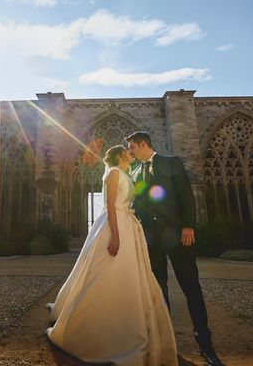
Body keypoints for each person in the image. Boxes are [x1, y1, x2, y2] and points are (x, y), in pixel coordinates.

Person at [46, 145, 178, 366]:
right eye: (127, 152)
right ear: (119, 156)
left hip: (128, 224)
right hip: (116, 226)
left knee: (127, 275)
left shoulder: (125, 173)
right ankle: (95, 326)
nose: (131, 153)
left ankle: (125, 318)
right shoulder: (114, 172)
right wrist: (115, 235)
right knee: (109, 271)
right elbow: (110, 205)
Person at [126, 131, 225, 366]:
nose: (131, 151)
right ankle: (166, 343)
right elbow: (138, 203)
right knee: (160, 290)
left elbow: (186, 196)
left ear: (143, 145)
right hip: (153, 240)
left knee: (191, 287)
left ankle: (206, 346)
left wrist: (189, 225)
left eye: (132, 147)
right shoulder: (136, 170)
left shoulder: (171, 162)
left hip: (179, 236)